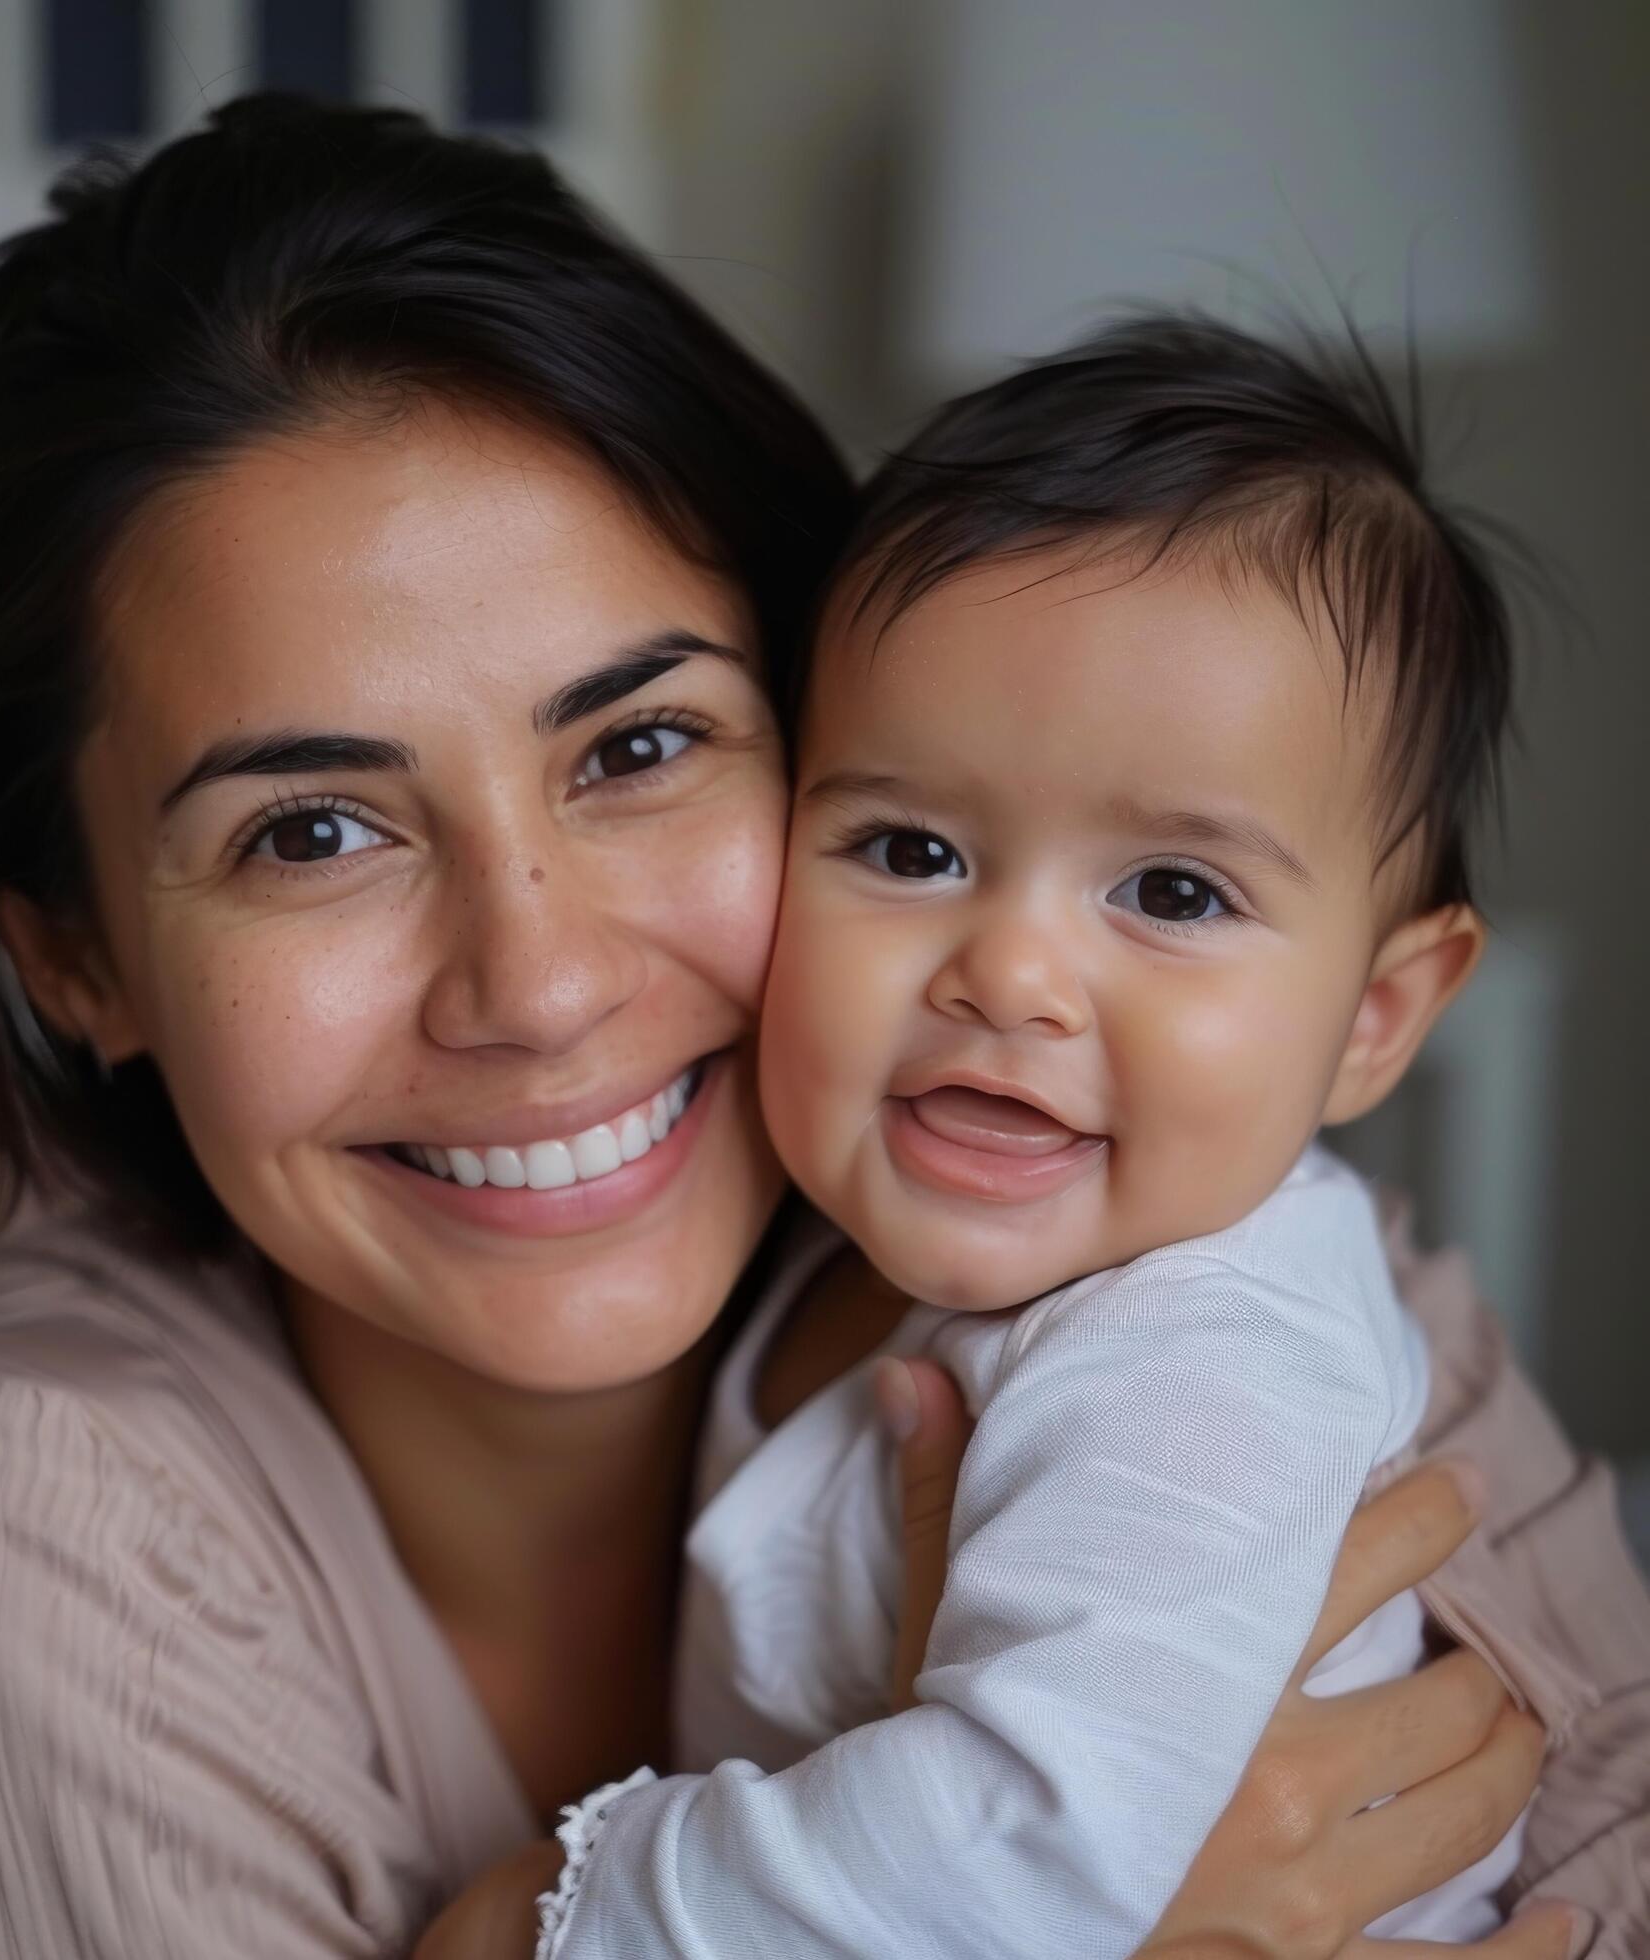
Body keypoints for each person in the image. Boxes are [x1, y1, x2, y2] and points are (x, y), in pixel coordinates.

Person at [0, 98, 1639, 1960]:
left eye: (640, 748)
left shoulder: (1176, 1251)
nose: (541, 987)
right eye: (310, 831)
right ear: (75, 958)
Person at [522, 316, 1561, 1957]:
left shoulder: (1200, 1363)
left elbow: (1032, 1853)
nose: (1010, 972)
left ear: (1376, 1015)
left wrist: (553, 1915)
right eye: (913, 848)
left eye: (1172, 893)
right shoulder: (814, 1251)